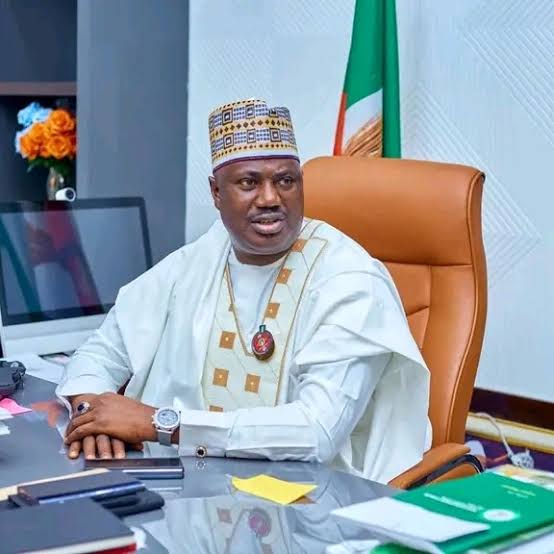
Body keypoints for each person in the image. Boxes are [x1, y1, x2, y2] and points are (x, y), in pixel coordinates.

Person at [57, 98, 430, 483]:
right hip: (190, 482)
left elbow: (317, 431)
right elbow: (102, 351)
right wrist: (92, 416)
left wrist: (161, 423)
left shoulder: (350, 279)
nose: (270, 199)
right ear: (216, 192)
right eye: (249, 183)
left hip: (309, 492)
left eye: (286, 181)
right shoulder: (201, 257)